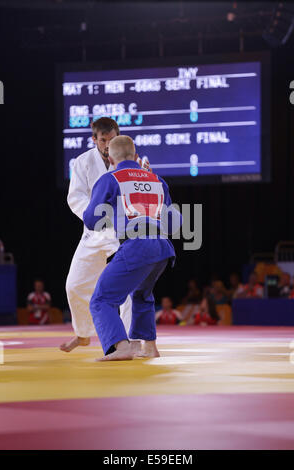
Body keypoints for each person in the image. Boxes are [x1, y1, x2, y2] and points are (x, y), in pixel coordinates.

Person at [83, 135, 182, 361]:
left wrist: (110, 213)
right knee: (141, 294)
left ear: (109, 158)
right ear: (136, 157)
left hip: (137, 246)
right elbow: (175, 224)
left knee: (102, 300)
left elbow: (90, 220)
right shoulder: (157, 180)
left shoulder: (110, 179)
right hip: (163, 249)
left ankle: (122, 346)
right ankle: (149, 347)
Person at [61, 117, 145, 353]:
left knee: (130, 286)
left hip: (124, 232)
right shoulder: (82, 162)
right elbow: (75, 197)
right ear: (94, 139)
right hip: (94, 230)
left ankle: (132, 340)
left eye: (112, 139)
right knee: (74, 285)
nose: (108, 144)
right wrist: (97, 215)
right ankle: (83, 334)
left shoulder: (133, 161)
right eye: (103, 140)